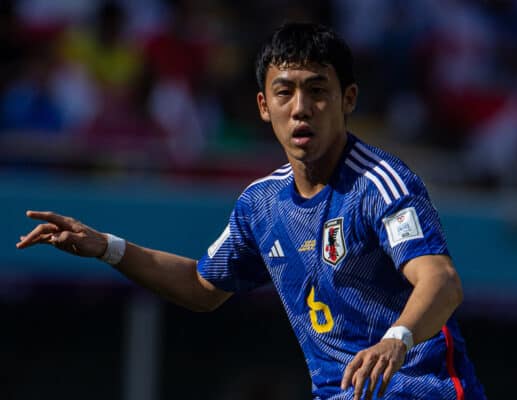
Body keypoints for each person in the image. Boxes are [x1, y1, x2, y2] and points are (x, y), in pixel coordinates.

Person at [16, 22, 486, 400]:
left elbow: (441, 280)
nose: (301, 108)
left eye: (317, 90)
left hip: (423, 390)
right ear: (264, 106)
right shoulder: (260, 205)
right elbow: (202, 286)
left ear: (348, 100)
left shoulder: (381, 183)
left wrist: (396, 341)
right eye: (285, 92)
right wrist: (106, 248)